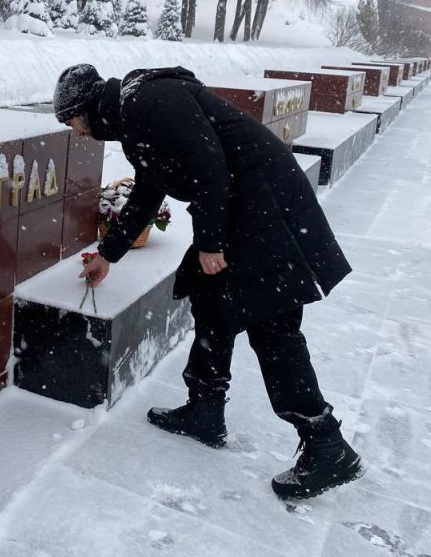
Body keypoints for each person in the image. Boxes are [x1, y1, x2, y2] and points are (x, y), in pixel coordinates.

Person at [52, 63, 363, 500]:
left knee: (272, 326)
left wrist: (211, 242)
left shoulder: (150, 102)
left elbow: (209, 165)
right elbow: (149, 189)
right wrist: (108, 254)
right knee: (211, 300)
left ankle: (326, 443)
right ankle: (204, 409)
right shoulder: (133, 115)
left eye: (72, 123)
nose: (77, 134)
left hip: (265, 209)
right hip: (241, 208)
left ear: (87, 109)